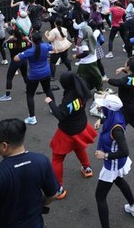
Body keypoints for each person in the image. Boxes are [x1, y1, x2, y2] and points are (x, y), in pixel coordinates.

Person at [45, 71, 98, 199]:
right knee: (79, 148)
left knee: (57, 158)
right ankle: (87, 169)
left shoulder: (69, 97)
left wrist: (50, 102)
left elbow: (60, 115)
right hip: (81, 126)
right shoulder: (82, 88)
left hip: (68, 131)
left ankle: (58, 189)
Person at [93, 94, 134, 227]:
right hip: (118, 162)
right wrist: (100, 121)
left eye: (103, 106)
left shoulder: (117, 130)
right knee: (119, 180)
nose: (100, 107)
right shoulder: (116, 114)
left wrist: (105, 155)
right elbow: (107, 117)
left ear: (109, 108)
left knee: (100, 196)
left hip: (112, 163)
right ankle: (133, 206)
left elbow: (125, 151)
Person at [105, 56, 134, 144]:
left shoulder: (126, 80)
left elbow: (118, 82)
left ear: (128, 67)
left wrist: (106, 80)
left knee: (117, 126)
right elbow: (128, 79)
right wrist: (122, 69)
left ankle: (115, 145)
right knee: (132, 120)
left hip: (127, 108)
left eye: (125, 63)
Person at [15, 32, 55, 125]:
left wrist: (22, 52)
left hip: (34, 75)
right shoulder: (45, 46)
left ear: (32, 40)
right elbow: (53, 48)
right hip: (46, 72)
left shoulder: (29, 51)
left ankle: (32, 117)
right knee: (48, 90)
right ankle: (53, 108)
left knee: (30, 95)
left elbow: (16, 58)